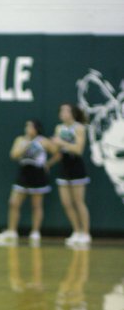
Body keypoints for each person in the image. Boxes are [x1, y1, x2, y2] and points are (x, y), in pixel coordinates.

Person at [0, 120, 56, 247]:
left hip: (38, 174)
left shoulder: (43, 141)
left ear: (36, 128)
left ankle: (35, 232)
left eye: (30, 126)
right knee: (14, 203)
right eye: (26, 126)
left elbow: (57, 153)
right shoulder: (20, 140)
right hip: (23, 173)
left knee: (36, 205)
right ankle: (12, 231)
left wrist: (48, 164)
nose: (28, 129)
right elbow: (13, 155)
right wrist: (25, 145)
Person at [49, 103, 91, 248]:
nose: (62, 112)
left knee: (79, 202)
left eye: (65, 110)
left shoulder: (79, 128)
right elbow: (56, 150)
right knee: (66, 203)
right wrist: (51, 147)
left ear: (72, 112)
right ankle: (77, 231)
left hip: (76, 167)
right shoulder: (59, 128)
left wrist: (61, 142)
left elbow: (78, 149)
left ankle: (86, 233)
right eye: (61, 110)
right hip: (64, 167)